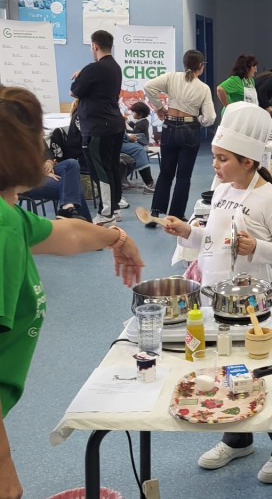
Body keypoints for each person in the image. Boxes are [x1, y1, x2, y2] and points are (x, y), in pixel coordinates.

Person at [0, 85, 144, 499]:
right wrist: (4, 466)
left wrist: (115, 237)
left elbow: (66, 234)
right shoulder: (4, 229)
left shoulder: (11, 216)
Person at [161, 102, 272, 485]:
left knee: (261, 372)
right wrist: (188, 231)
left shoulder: (270, 198)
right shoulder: (222, 189)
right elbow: (216, 237)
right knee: (224, 367)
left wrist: (255, 246)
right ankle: (237, 439)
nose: (215, 165)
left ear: (250, 161)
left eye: (223, 159)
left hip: (254, 302)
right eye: (216, 157)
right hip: (216, 296)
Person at [144, 49, 216, 223]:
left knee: (165, 172)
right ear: (201, 66)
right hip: (189, 129)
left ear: (185, 64)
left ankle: (155, 211)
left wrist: (160, 107)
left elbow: (148, 87)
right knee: (183, 176)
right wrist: (198, 120)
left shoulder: (171, 77)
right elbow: (210, 118)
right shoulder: (203, 88)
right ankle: (175, 214)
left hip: (169, 126)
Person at [70, 29, 124, 226]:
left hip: (99, 128)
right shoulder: (115, 67)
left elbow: (74, 91)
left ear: (94, 46)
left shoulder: (93, 69)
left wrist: (80, 75)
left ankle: (106, 212)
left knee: (101, 170)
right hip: (115, 125)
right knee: (111, 167)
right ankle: (115, 208)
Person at [22, 154, 92, 221]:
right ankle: (86, 226)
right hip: (25, 179)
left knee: (72, 163)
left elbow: (46, 150)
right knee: (71, 185)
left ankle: (67, 209)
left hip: (41, 171)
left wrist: (49, 161)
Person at [120, 101, 156, 193]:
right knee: (138, 150)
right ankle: (149, 183)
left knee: (138, 148)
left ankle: (123, 180)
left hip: (122, 139)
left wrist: (127, 135)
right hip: (117, 141)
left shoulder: (143, 122)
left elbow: (131, 130)